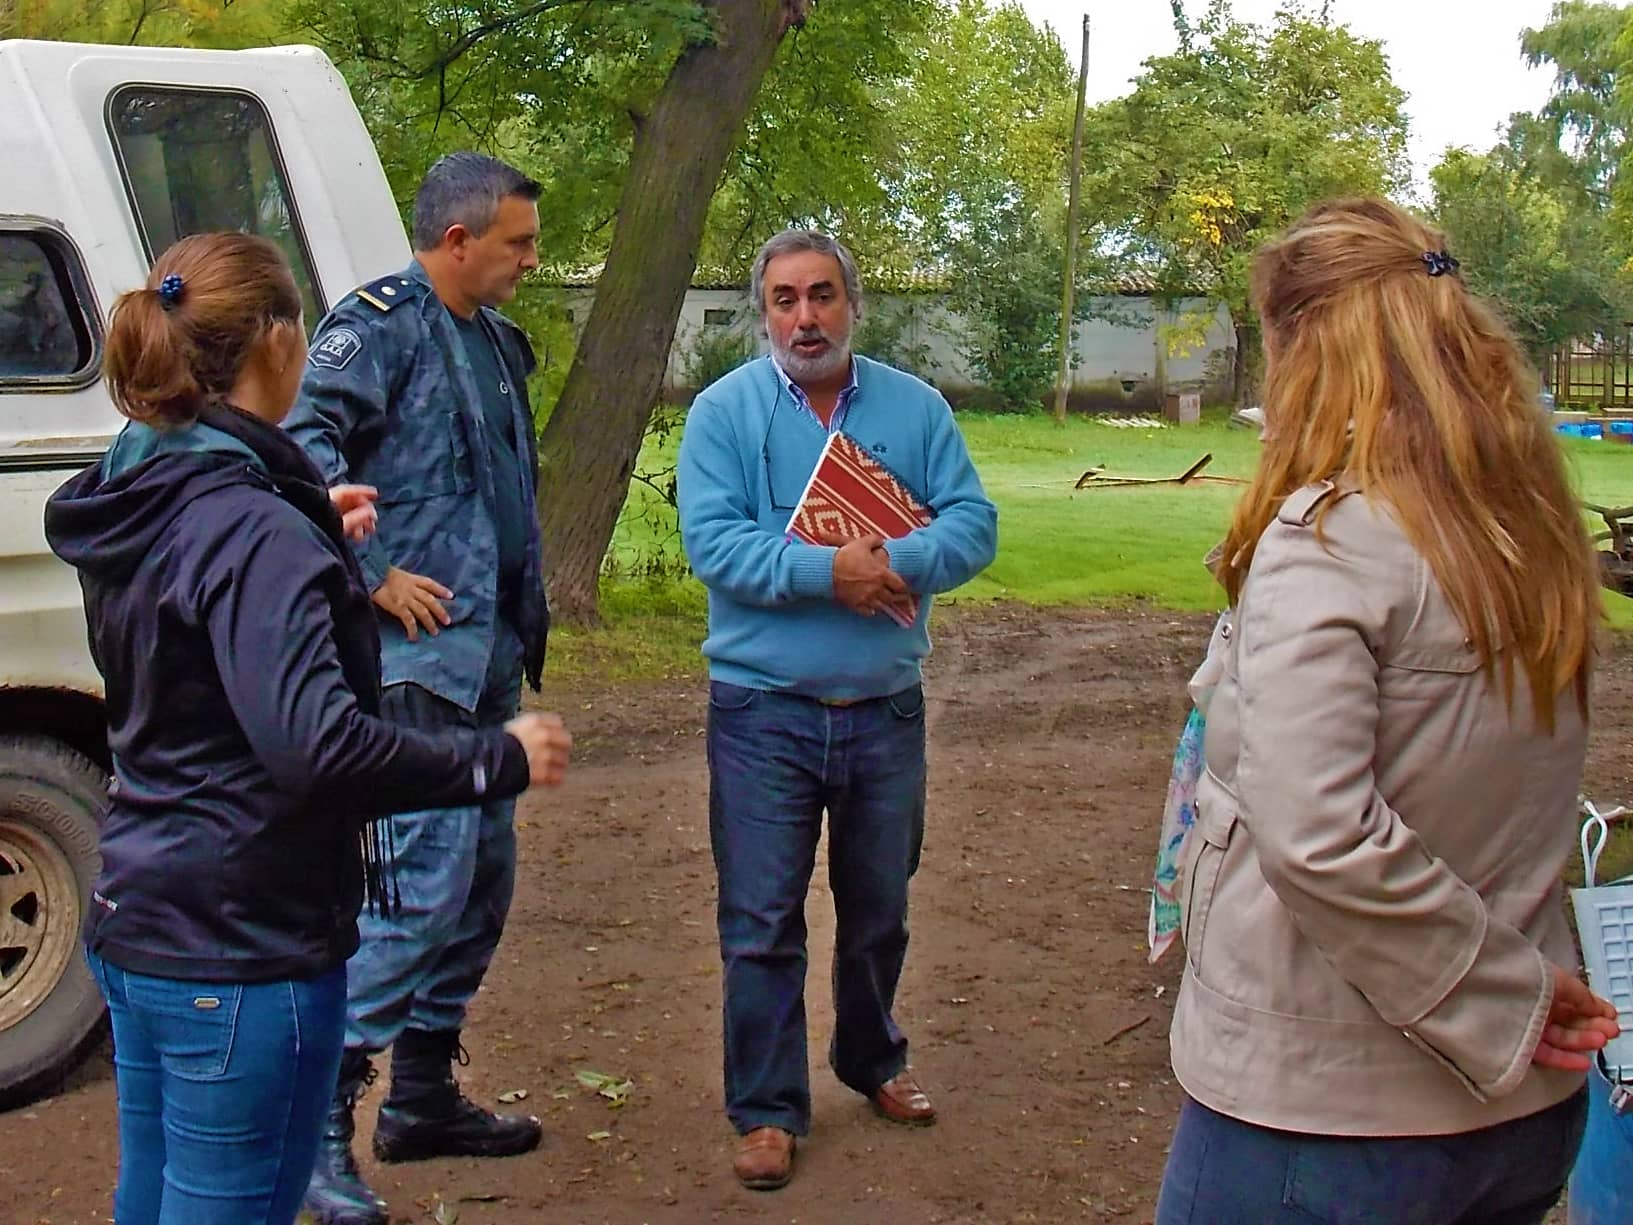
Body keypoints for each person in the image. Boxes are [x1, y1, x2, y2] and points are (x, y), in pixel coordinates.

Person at [42, 232, 572, 1225]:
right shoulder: (250, 530)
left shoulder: (143, 488)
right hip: (241, 944)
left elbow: (196, 617)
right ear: (277, 344)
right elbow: (318, 748)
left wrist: (304, 520)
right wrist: (495, 756)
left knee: (151, 1201)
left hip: (141, 914)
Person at [1154, 197, 1620, 1225]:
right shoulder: (1525, 532)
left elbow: (1319, 835)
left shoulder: (1327, 541)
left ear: (1308, 350)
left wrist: (1501, 994)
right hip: (1516, 1113)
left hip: (1329, 1117)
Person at [676, 229, 998, 1191]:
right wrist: (829, 573)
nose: (804, 317)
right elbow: (715, 546)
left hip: (883, 711)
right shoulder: (721, 414)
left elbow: (973, 524)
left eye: (821, 296)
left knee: (878, 911)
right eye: (784, 300)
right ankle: (768, 1110)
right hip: (761, 712)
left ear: (852, 304)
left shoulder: (916, 407)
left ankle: (872, 1059)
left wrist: (893, 565)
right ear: (762, 310)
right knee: (761, 918)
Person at [282, 153, 553, 1224]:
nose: (532, 260)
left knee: (480, 886)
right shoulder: (378, 325)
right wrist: (369, 571)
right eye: (519, 242)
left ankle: (425, 1096)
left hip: (483, 663)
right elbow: (302, 447)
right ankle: (315, 1132)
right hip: (414, 672)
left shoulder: (491, 342)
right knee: (411, 892)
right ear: (458, 240)